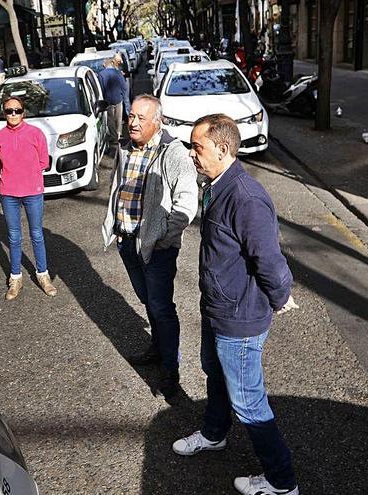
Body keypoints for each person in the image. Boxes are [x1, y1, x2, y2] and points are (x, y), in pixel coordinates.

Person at [173, 114, 299, 495]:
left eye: (198, 148)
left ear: (223, 149)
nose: (192, 155)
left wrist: (280, 296)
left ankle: (282, 481)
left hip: (239, 318)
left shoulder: (245, 196)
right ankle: (214, 434)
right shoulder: (216, 183)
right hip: (217, 308)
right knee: (215, 373)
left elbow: (268, 257)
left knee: (248, 401)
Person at [101, 95, 199, 397]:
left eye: (141, 118)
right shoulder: (125, 147)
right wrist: (116, 227)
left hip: (156, 248)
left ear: (157, 122)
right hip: (127, 240)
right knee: (147, 300)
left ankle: (171, 372)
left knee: (161, 306)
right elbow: (119, 187)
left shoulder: (173, 153)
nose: (133, 123)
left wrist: (166, 238)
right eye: (131, 116)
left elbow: (186, 201)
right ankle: (157, 348)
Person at [0, 96, 57, 300]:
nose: (13, 114)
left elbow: (43, 161)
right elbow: (0, 162)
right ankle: (15, 277)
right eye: (9, 111)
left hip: (33, 191)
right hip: (8, 192)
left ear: (24, 112)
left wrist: (28, 174)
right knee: (14, 236)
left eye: (17, 110)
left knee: (37, 234)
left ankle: (43, 275)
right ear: (4, 113)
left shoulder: (36, 133)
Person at [98, 58, 129, 145]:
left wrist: (103, 99)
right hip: (118, 99)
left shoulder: (101, 74)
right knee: (118, 118)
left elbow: (101, 89)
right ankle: (119, 134)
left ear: (104, 65)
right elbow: (124, 86)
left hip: (108, 101)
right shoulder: (118, 72)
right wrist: (123, 96)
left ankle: (114, 136)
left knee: (110, 120)